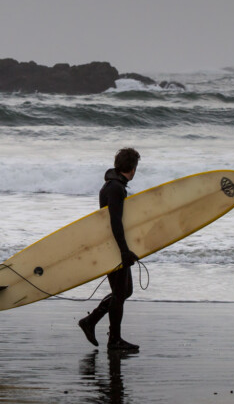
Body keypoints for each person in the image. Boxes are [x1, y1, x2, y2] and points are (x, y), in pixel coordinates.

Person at [79, 147, 141, 352]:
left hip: (113, 245)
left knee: (124, 291)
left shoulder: (113, 186)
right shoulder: (115, 188)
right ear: (132, 168)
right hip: (113, 247)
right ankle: (114, 340)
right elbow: (115, 222)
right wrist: (123, 250)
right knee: (120, 293)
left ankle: (91, 320)